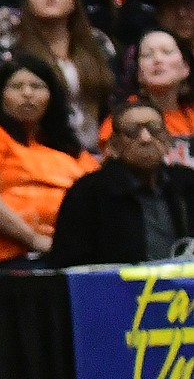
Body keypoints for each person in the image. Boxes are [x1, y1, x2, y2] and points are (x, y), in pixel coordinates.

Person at [0, 54, 97, 267]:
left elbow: (99, 193)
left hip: (74, 253)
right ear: (0, 95)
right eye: (16, 86)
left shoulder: (69, 147)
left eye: (37, 86)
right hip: (6, 258)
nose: (27, 94)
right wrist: (33, 239)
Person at [49, 100, 194, 267]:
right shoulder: (88, 192)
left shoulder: (186, 183)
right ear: (114, 145)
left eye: (154, 129)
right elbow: (69, 265)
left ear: (168, 139)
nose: (146, 138)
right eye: (132, 131)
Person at [11, 0, 115, 151]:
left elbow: (114, 100)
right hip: (39, 151)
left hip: (97, 152)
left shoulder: (98, 42)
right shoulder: (11, 46)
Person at [100, 28, 194, 164]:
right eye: (147, 55)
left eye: (167, 52)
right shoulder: (122, 117)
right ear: (138, 72)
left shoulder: (190, 112)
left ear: (185, 67)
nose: (157, 59)